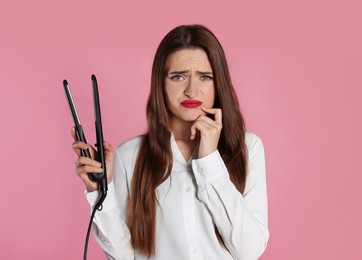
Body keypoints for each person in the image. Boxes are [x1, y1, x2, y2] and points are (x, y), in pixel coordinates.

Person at [71, 24, 269, 260]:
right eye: (178, 77)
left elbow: (249, 251)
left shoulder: (248, 149)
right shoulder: (130, 155)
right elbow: (124, 257)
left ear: (219, 84)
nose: (191, 90)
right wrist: (99, 191)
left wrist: (209, 160)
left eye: (205, 77)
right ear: (161, 84)